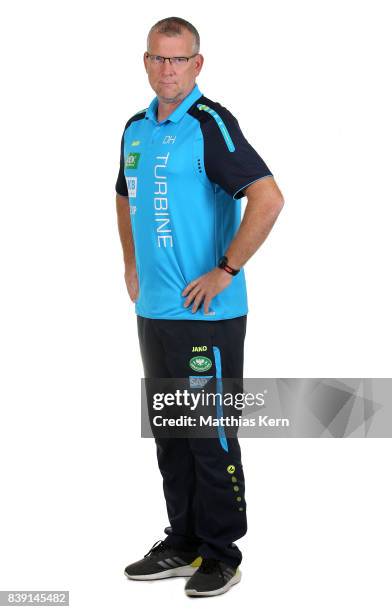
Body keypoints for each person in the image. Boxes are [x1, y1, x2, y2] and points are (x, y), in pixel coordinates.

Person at [115, 16, 284, 597]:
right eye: (159, 59)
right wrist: (132, 264)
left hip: (206, 317)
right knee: (170, 432)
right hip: (155, 312)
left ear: (197, 65)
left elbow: (268, 197)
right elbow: (123, 193)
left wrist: (226, 269)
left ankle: (221, 552)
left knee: (208, 434)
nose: (168, 70)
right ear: (146, 62)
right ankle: (183, 541)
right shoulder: (135, 129)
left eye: (179, 59)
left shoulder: (211, 125)